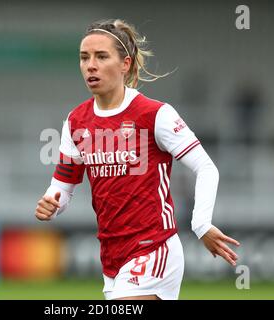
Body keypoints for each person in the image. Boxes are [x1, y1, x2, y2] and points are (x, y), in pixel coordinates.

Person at [35, 19, 240, 300]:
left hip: (154, 248)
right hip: (112, 256)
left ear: (125, 64)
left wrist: (201, 224)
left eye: (101, 56)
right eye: (84, 57)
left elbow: (206, 168)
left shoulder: (155, 114)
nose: (90, 65)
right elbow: (63, 185)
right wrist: (52, 202)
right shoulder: (75, 121)